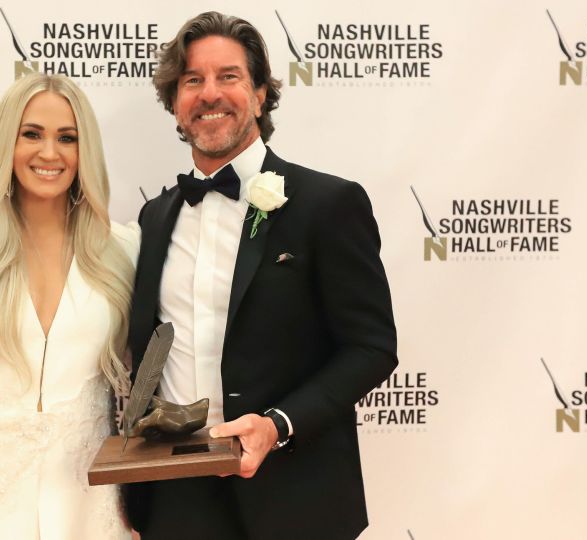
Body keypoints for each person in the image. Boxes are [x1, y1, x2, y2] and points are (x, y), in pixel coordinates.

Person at [126, 11, 398, 540]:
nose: (210, 94)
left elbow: (371, 347)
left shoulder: (328, 204)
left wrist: (277, 424)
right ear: (175, 105)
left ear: (259, 94)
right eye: (191, 80)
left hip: (295, 496)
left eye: (228, 76)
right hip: (177, 499)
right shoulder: (154, 217)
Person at [0, 73, 137, 540]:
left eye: (67, 138)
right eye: (31, 134)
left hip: (91, 512)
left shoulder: (124, 250)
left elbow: (134, 399)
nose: (49, 153)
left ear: (85, 150)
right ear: (5, 141)